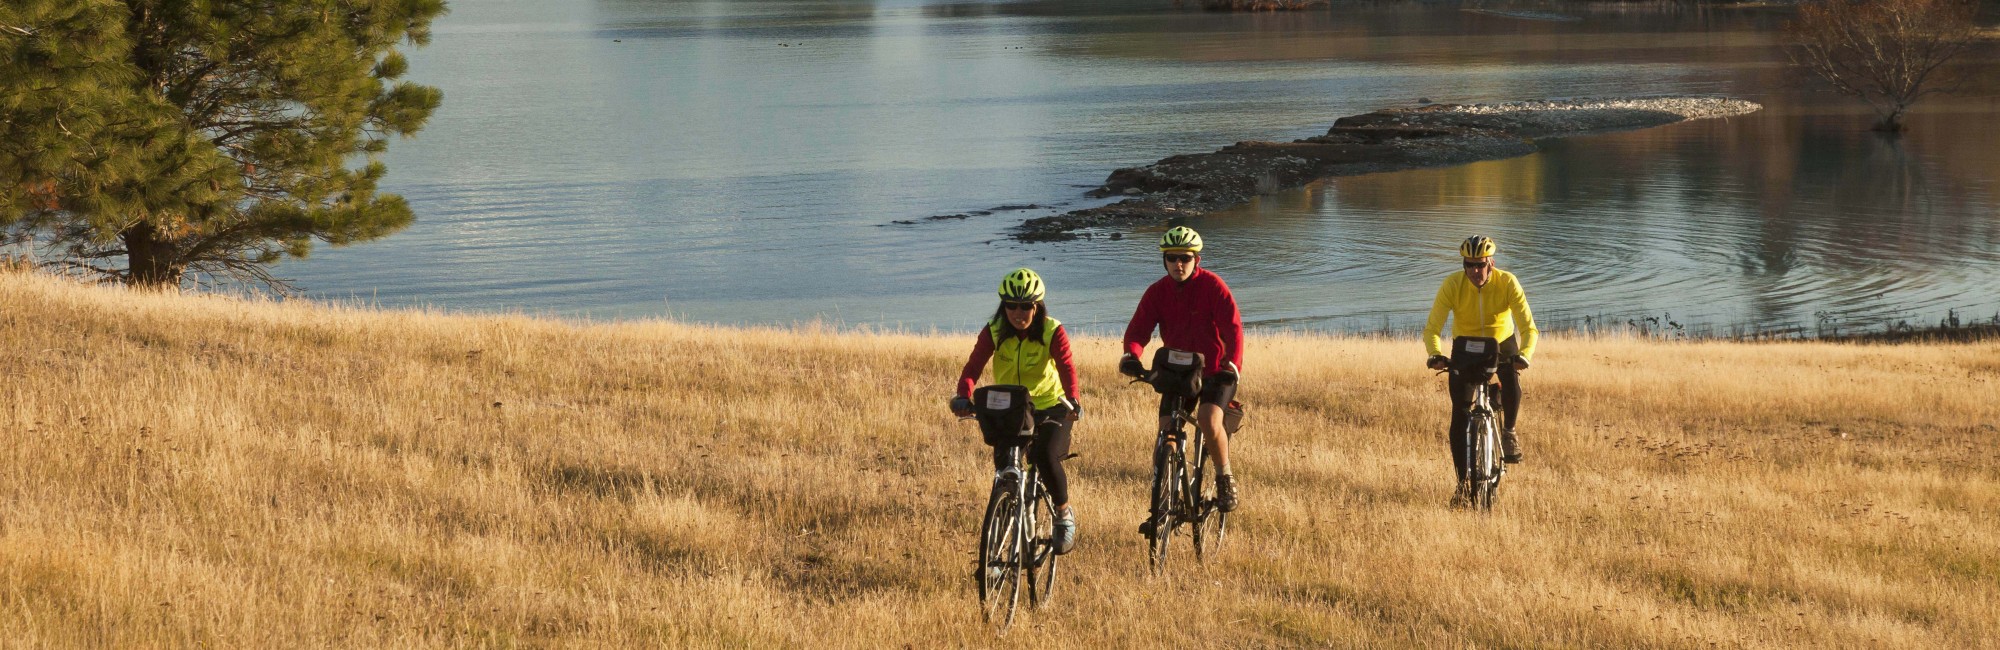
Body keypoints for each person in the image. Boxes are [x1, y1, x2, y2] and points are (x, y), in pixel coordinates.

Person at [1119, 225, 1245, 534]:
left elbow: (1233, 328)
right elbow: (1138, 330)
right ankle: (1163, 503)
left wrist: (1234, 363)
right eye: (1172, 258)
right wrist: (1131, 355)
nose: (1179, 264)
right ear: (1164, 260)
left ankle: (1224, 477)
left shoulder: (1214, 286)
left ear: (1196, 259)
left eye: (1185, 258)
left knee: (1208, 419)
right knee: (1166, 435)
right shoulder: (1157, 292)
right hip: (1179, 372)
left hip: (1215, 370)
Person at [951, 268, 1081, 554]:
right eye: (1011, 305)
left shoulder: (1052, 330)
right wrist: (963, 395)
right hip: (1010, 408)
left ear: (1037, 307)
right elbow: (974, 366)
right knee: (1005, 473)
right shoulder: (994, 330)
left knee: (1045, 456)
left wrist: (1073, 399)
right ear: (1003, 306)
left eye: (1025, 306)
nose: (1018, 312)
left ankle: (1063, 514)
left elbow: (1066, 367)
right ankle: (997, 552)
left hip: (1050, 407)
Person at [1423, 235, 1539, 480]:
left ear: (1491, 263)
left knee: (1510, 378)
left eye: (1481, 264)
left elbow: (1529, 329)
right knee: (1460, 415)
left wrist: (1524, 356)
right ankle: (1463, 483)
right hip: (1465, 348)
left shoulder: (1508, 282)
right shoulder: (1452, 285)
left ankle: (1508, 431)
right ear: (1463, 265)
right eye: (1469, 265)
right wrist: (1435, 354)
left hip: (1501, 343)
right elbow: (1432, 329)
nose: (1475, 270)